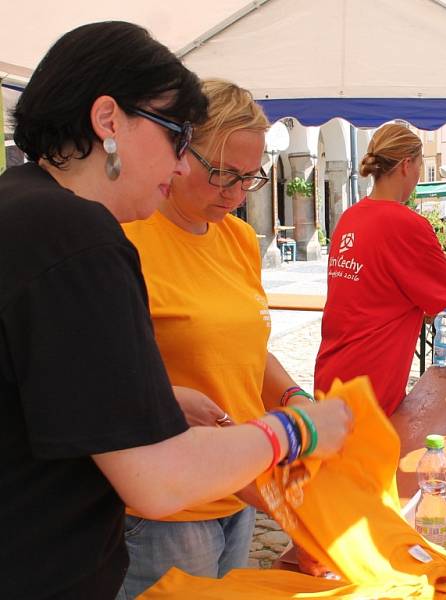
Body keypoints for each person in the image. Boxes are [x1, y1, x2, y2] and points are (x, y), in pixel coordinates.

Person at [0, 22, 351, 600]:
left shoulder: (24, 205)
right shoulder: (77, 233)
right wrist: (296, 429)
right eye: (175, 136)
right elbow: (156, 482)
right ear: (109, 120)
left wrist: (153, 399)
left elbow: (50, 392)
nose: (179, 162)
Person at [119, 79, 327, 596]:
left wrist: (293, 396)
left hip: (238, 490)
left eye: (250, 178)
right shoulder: (126, 238)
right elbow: (95, 378)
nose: (235, 193)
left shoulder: (236, 237)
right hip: (166, 505)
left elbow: (247, 348)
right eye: (222, 174)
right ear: (177, 152)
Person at [315, 124, 446, 416]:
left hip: (333, 369)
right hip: (369, 381)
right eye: (420, 166)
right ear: (407, 165)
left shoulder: (350, 217)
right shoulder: (405, 223)